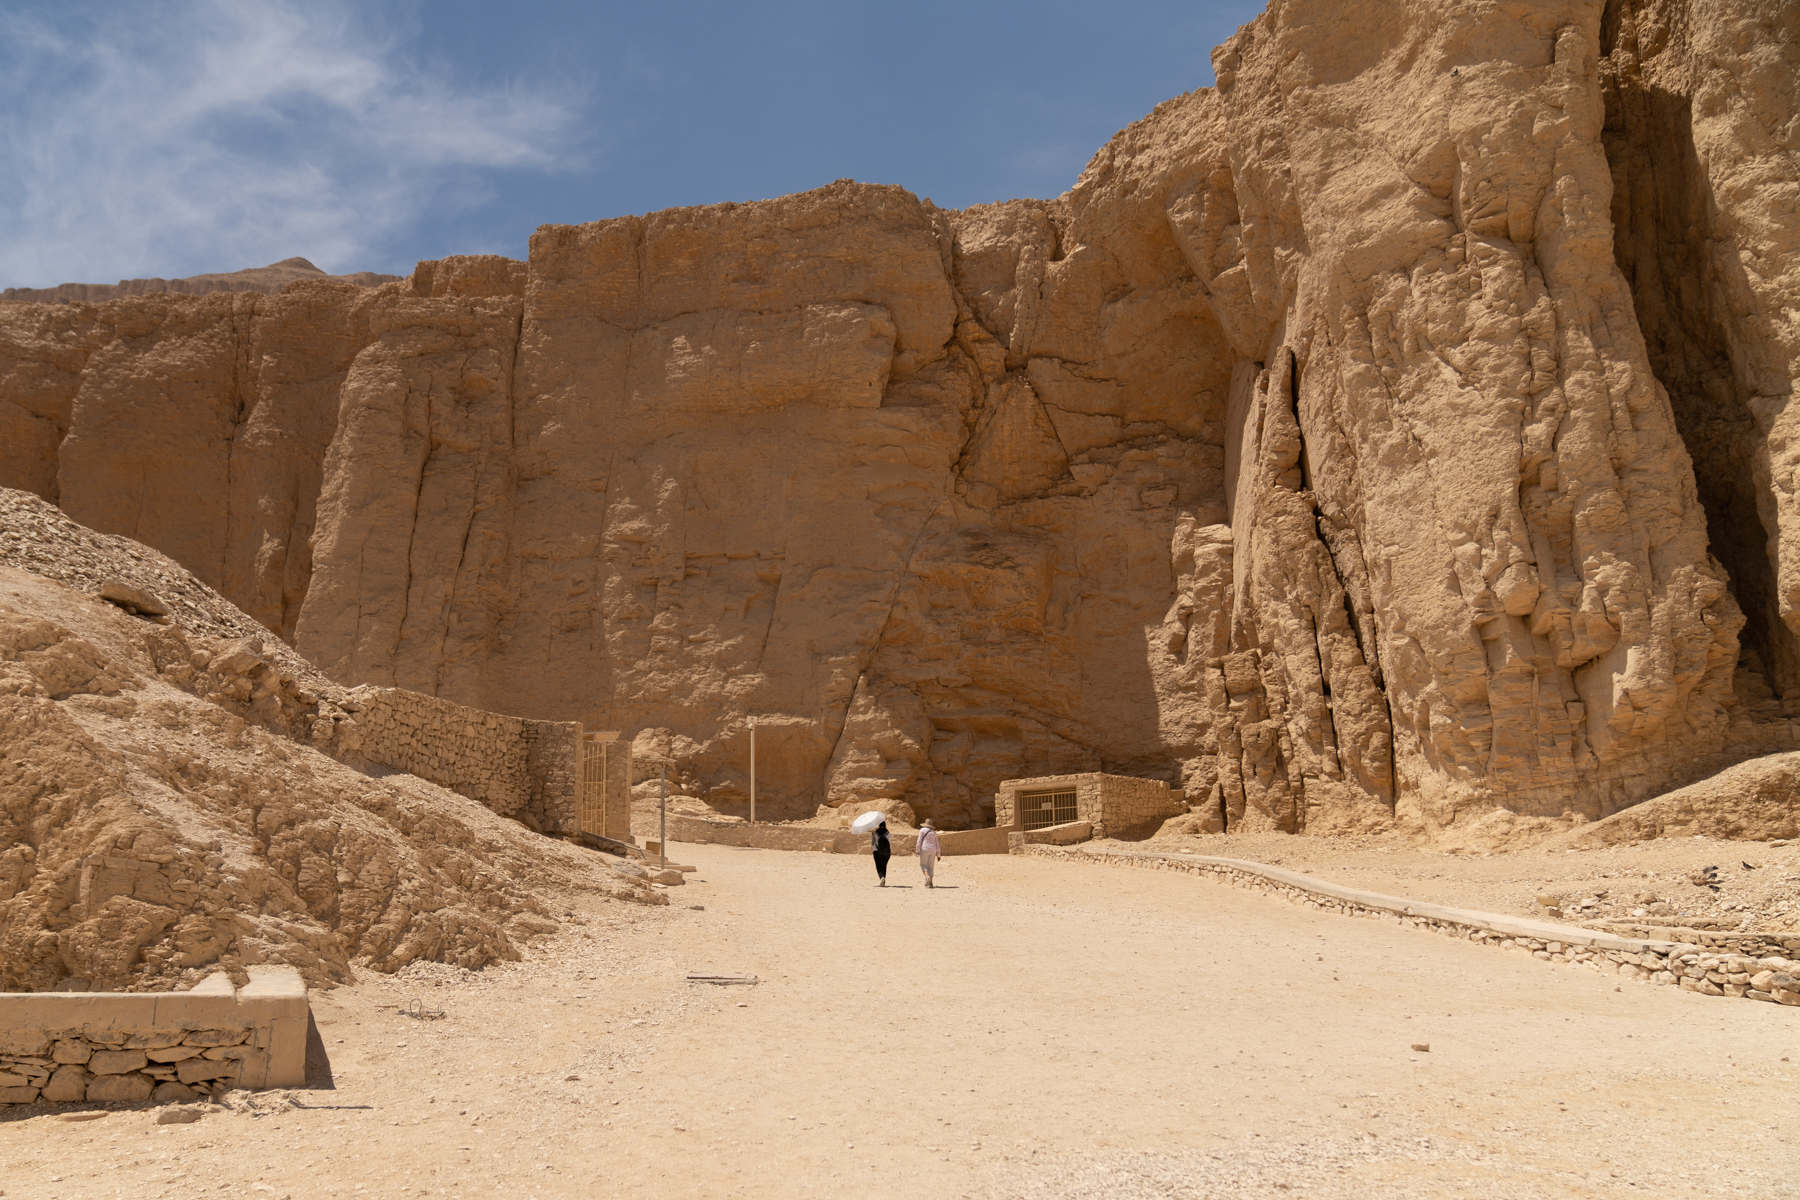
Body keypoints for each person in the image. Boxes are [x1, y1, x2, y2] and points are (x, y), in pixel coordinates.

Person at [917, 819, 941, 888]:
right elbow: (937, 844)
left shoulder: (922, 830)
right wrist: (938, 854)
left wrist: (917, 850)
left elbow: (919, 841)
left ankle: (927, 877)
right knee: (931, 866)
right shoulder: (934, 832)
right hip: (933, 850)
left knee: (923, 864)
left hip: (924, 848)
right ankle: (930, 883)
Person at [872, 819, 891, 886]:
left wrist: (873, 835)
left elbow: (873, 843)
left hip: (877, 851)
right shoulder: (888, 833)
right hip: (887, 852)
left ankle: (881, 877)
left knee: (879, 866)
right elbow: (889, 843)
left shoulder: (876, 833)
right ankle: (884, 882)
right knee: (884, 866)